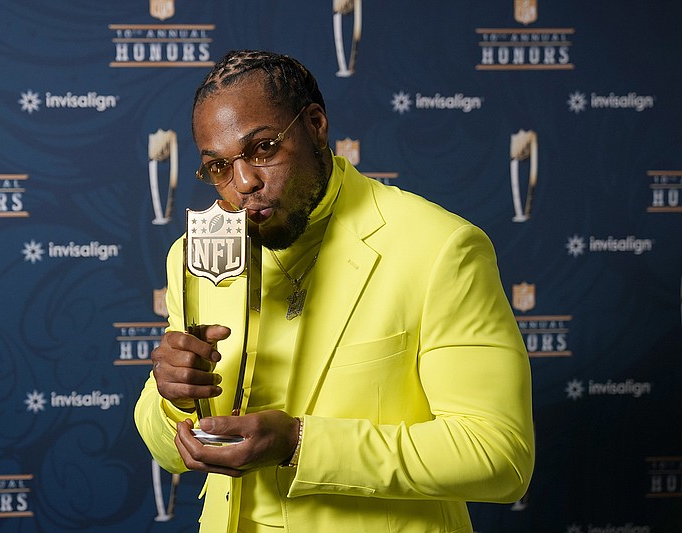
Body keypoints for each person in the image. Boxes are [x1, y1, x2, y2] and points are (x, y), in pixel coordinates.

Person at [135, 49, 534, 533]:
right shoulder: (193, 255)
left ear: (317, 125)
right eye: (219, 166)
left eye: (263, 149)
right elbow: (168, 451)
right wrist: (174, 397)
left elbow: (499, 457)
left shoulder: (440, 248)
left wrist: (300, 444)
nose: (244, 183)